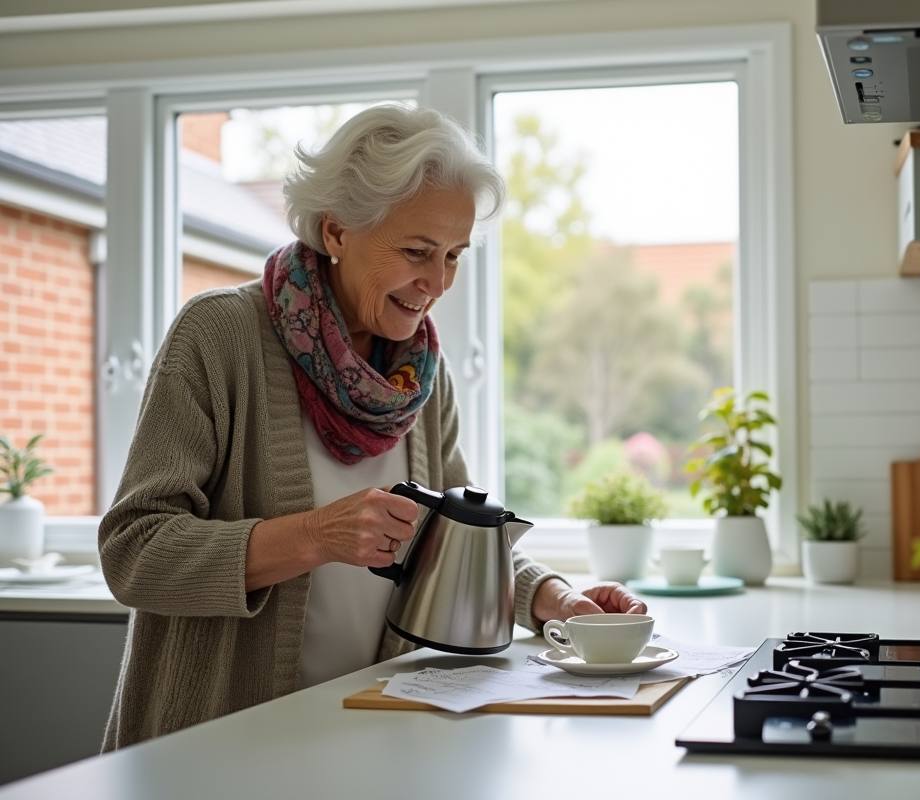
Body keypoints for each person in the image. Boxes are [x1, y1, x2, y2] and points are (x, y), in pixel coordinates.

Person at [98, 104, 647, 750]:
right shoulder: (219, 337)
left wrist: (552, 597)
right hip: (215, 749)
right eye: (417, 252)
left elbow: (454, 543)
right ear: (336, 232)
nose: (438, 282)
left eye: (453, 255)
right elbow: (134, 552)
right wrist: (313, 536)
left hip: (362, 741)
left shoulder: (418, 376)